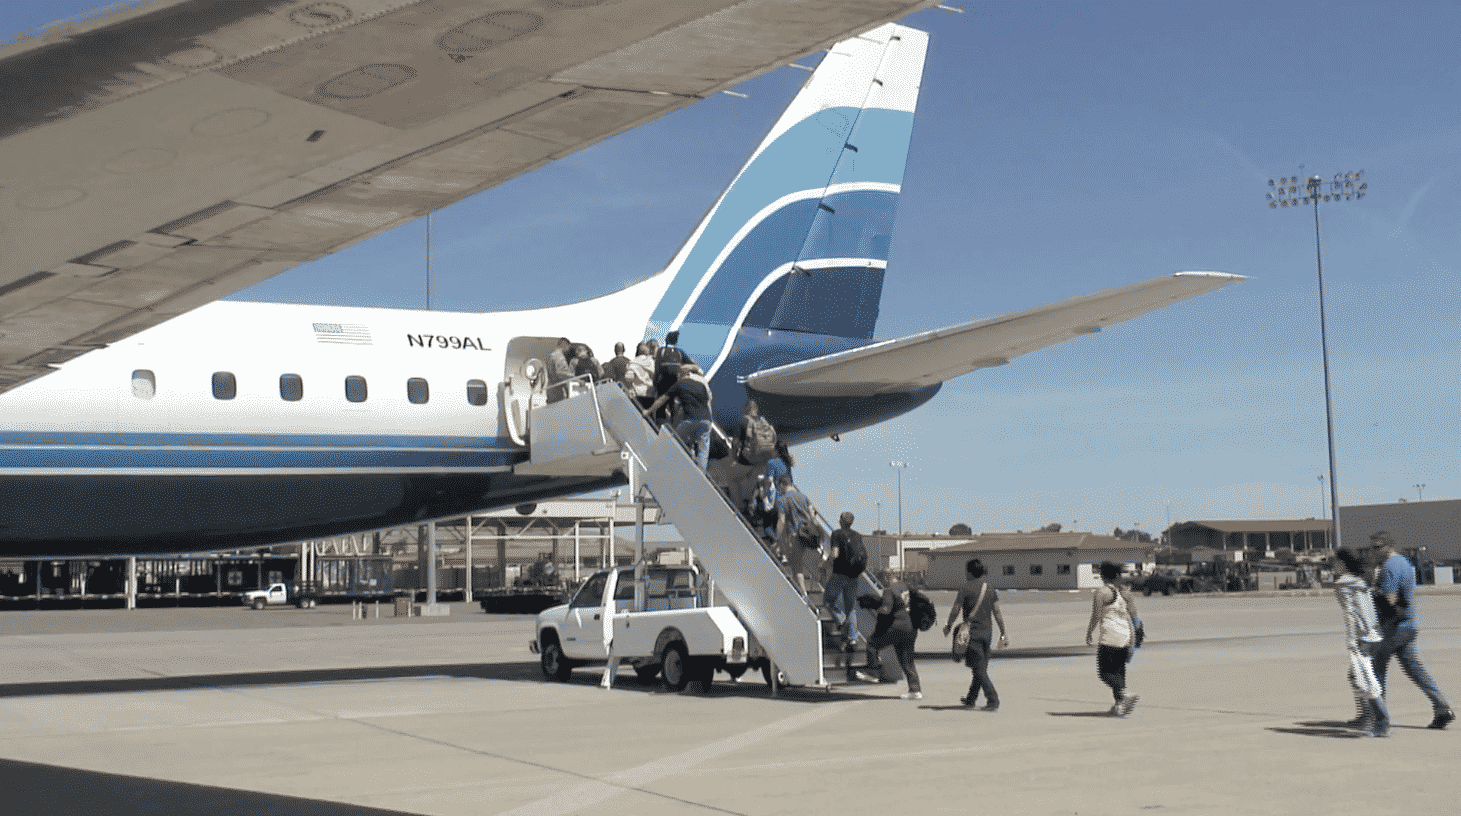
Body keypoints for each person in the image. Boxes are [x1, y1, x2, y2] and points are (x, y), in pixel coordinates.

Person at [1368, 531, 1454, 729]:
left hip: (1393, 628)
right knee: (1415, 670)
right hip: (1408, 625)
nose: (1373, 552)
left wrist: (1373, 594)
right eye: (1371, 547)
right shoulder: (1404, 562)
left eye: (1377, 547)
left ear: (1388, 546)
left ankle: (1379, 719)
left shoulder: (1389, 566)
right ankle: (1442, 708)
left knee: (1375, 670)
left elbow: (1389, 600)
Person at [1333, 547, 1389, 736]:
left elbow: (1350, 613)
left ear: (1343, 563)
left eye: (1336, 561)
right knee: (1356, 677)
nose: (1333, 564)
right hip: (1374, 634)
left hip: (1361, 637)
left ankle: (1380, 721)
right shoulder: (1361, 581)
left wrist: (1351, 640)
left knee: (1364, 678)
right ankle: (1367, 716)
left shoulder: (1344, 584)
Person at [944, 558, 1008, 711]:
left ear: (970, 572)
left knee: (978, 670)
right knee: (981, 668)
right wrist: (1003, 631)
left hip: (972, 634)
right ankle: (971, 699)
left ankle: (993, 700)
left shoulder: (965, 588)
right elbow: (997, 612)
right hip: (987, 633)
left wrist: (949, 625)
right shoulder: (990, 588)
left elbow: (956, 609)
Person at [1085, 561, 1139, 716]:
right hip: (1125, 636)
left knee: (1104, 673)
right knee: (1118, 671)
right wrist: (1133, 639)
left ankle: (1123, 696)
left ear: (1102, 575)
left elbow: (1096, 614)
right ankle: (1119, 706)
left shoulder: (1102, 592)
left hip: (1110, 636)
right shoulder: (1122, 593)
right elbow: (1131, 615)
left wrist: (1089, 632)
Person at [643, 363, 713, 470]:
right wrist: (710, 421)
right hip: (706, 420)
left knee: (673, 442)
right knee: (703, 451)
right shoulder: (701, 385)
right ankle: (700, 476)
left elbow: (662, 399)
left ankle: (666, 467)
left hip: (690, 419)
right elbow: (708, 403)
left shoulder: (680, 384)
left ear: (681, 374)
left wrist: (648, 411)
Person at [861, 581, 921, 700]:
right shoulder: (904, 586)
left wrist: (874, 607)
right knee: (907, 660)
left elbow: (886, 610)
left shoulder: (889, 590)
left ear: (887, 577)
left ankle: (873, 672)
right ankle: (915, 690)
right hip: (909, 627)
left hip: (896, 627)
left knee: (872, 643)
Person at [825, 512, 868, 658]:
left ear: (841, 521)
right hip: (853, 576)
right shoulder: (857, 535)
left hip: (839, 575)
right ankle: (853, 638)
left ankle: (842, 620)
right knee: (851, 608)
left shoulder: (837, 534)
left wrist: (825, 564)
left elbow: (835, 554)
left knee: (828, 600)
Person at [773, 475, 821, 593]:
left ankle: (803, 593)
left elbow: (782, 521)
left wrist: (778, 538)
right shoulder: (803, 497)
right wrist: (817, 531)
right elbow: (813, 515)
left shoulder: (782, 500)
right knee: (796, 561)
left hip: (796, 536)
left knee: (797, 567)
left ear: (782, 485)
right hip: (809, 535)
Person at [736, 400, 779, 467]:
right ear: (756, 409)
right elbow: (774, 437)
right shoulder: (763, 420)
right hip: (770, 455)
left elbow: (739, 440)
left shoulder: (745, 420)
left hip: (753, 457)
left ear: (746, 409)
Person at [625, 342, 656, 411]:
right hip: (650, 393)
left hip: (637, 393)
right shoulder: (652, 362)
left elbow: (628, 377)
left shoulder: (633, 362)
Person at [546, 337, 573, 403]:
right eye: (568, 347)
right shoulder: (559, 356)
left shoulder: (551, 355)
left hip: (551, 389)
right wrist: (574, 377)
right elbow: (560, 373)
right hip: (558, 390)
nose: (568, 350)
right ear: (564, 345)